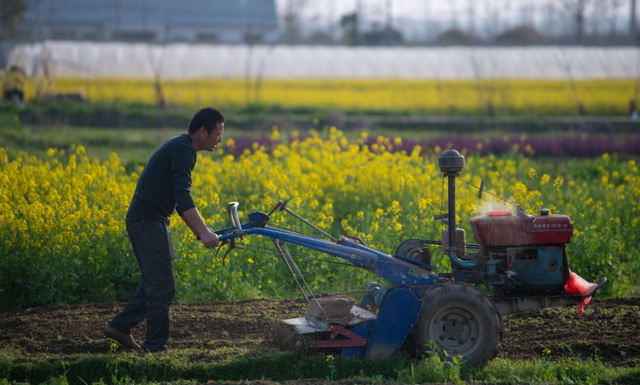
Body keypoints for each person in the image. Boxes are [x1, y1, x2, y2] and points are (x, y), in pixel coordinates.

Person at [104, 107, 224, 352]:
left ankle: (120, 326)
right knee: (162, 286)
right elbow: (182, 195)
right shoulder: (184, 150)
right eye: (219, 132)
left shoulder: (180, 145)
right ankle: (155, 347)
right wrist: (202, 232)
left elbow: (179, 202)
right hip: (148, 221)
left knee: (155, 283)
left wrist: (202, 229)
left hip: (147, 220)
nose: (220, 139)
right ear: (203, 131)